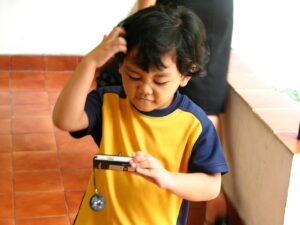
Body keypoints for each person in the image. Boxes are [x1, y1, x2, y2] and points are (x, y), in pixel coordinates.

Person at [53, 4, 228, 225]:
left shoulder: (195, 125)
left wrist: (166, 178)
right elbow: (64, 119)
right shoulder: (108, 102)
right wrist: (90, 62)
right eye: (134, 75)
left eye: (160, 81)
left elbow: (211, 186)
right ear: (120, 66)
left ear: (185, 75)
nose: (144, 89)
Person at [137, 1, 233, 225]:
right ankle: (213, 201)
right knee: (202, 101)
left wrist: (142, 35)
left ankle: (210, 195)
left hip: (184, 12)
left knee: (163, 93)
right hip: (217, 11)